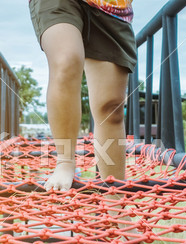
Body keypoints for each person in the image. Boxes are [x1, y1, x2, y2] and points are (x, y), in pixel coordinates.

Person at [29, 0, 137, 191]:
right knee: (67, 61)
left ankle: (114, 203)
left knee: (111, 107)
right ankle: (65, 162)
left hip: (112, 8)